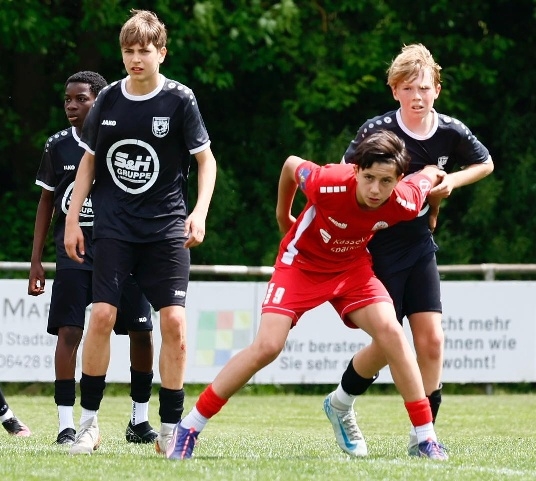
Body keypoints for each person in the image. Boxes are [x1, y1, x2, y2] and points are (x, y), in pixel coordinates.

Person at [165, 130, 448, 461]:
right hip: (300, 264)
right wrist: (281, 215)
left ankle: (425, 438)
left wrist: (435, 190)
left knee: (392, 333)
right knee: (268, 346)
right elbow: (290, 165)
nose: (375, 189)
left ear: (398, 179)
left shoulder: (406, 200)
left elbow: (429, 176)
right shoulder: (327, 182)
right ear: (356, 170)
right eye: (369, 178)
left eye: (386, 181)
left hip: (352, 268)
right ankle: (189, 427)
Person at [325, 43, 494, 457]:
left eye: (424, 88)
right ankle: (340, 402)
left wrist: (450, 182)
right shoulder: (378, 130)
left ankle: (424, 437)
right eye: (408, 88)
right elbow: (347, 175)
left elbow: (485, 163)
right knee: (388, 344)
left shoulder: (450, 130)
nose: (417, 96)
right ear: (394, 91)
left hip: (419, 243)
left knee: (431, 340)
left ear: (437, 89)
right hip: (378, 246)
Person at [63, 10, 217, 456]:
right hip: (114, 227)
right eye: (128, 51)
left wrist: (199, 212)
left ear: (161, 53)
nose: (135, 58)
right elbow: (90, 160)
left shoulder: (180, 99)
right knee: (101, 316)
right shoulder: (109, 99)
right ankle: (88, 427)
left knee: (174, 323)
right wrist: (72, 219)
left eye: (144, 51)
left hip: (166, 228)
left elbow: (206, 161)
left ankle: (169, 432)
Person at [28, 71, 157, 446]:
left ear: (99, 100)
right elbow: (47, 201)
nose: (71, 105)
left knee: (141, 331)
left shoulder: (121, 140)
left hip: (123, 249)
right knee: (69, 332)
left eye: (81, 99)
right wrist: (36, 260)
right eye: (67, 99)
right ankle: (66, 425)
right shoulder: (57, 145)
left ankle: (139, 420)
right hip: (74, 254)